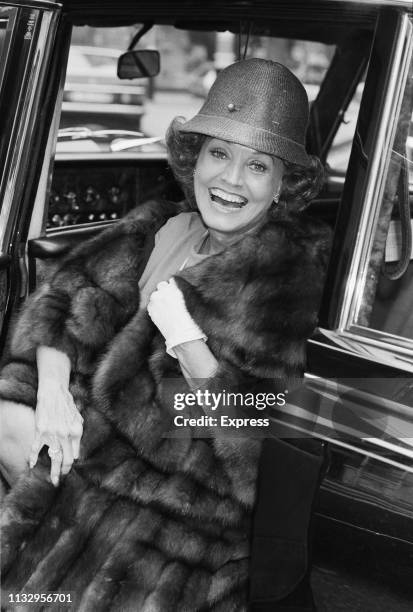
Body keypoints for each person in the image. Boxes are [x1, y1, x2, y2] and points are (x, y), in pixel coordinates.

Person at [0, 59, 330, 611]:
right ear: (194, 159)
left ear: (281, 187)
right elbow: (61, 304)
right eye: (219, 154)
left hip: (187, 493)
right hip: (110, 444)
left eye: (257, 166)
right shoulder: (166, 227)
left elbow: (255, 437)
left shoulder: (286, 276)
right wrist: (56, 392)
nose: (229, 180)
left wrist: (186, 341)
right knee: (13, 413)